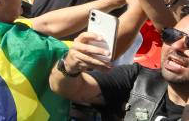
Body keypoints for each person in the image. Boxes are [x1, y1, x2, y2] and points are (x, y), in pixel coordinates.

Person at [49, 7, 189, 120]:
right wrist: (69, 66)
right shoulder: (138, 78)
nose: (176, 46)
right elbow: (67, 88)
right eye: (172, 35)